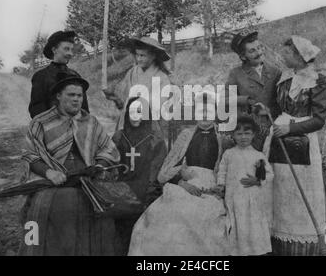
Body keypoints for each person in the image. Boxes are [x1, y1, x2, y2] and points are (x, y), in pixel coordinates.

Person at [20, 72, 120, 256]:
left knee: (107, 215)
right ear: (58, 96)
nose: (76, 100)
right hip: (52, 183)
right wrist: (49, 172)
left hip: (87, 182)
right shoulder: (41, 122)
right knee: (46, 211)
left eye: (79, 95)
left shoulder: (90, 122)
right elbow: (29, 153)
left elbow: (108, 148)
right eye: (71, 95)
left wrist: (98, 165)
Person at [127, 92, 234, 256]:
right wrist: (183, 182)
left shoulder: (223, 139)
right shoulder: (186, 135)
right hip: (185, 182)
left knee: (204, 217)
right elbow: (169, 166)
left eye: (209, 111)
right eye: (201, 111)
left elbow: (227, 168)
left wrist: (221, 188)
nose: (205, 115)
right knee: (166, 215)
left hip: (210, 186)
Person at [263, 35, 326, 256]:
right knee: (280, 192)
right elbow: (277, 108)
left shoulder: (317, 80)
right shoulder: (284, 78)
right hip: (278, 137)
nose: (283, 58)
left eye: (286, 54)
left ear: (299, 55)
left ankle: (307, 246)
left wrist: (290, 129)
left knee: (303, 194)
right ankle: (279, 245)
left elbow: (319, 120)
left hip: (302, 141)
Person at [112, 97, 167, 255]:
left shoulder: (155, 139)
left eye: (140, 111)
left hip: (146, 189)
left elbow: (157, 166)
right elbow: (112, 164)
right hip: (122, 189)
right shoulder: (118, 137)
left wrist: (148, 189)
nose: (136, 116)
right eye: (132, 112)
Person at [216, 116, 273, 256]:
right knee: (237, 225)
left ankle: (254, 251)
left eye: (247, 133)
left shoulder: (258, 155)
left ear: (253, 135)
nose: (243, 137)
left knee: (252, 225)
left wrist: (258, 181)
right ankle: (238, 251)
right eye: (239, 134)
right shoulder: (229, 154)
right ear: (233, 135)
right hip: (234, 198)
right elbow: (222, 171)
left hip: (251, 199)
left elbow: (270, 174)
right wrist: (221, 185)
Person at [226, 31, 282, 151]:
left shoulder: (275, 71)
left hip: (272, 130)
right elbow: (226, 100)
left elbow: (282, 102)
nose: (259, 52)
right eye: (252, 51)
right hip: (248, 132)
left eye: (259, 47)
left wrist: (270, 111)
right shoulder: (236, 74)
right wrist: (247, 101)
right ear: (243, 56)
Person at [103, 37, 172, 133]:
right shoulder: (132, 72)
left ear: (153, 56)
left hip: (150, 124)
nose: (138, 59)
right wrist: (115, 96)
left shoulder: (162, 78)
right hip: (128, 120)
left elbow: (159, 105)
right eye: (137, 55)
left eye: (142, 56)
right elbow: (124, 93)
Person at [28, 30, 89, 118]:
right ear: (54, 50)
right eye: (66, 49)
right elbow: (36, 109)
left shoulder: (75, 76)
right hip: (50, 127)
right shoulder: (41, 76)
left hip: (75, 127)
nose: (70, 53)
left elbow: (84, 108)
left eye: (71, 49)